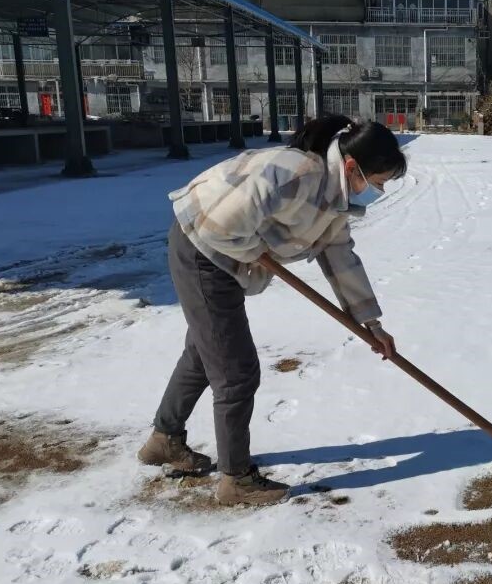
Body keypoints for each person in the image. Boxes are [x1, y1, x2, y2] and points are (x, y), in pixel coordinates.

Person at [138, 115, 407, 505]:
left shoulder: (333, 197)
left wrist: (371, 322)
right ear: (352, 167)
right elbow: (219, 225)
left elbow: (341, 258)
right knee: (236, 371)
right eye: (377, 182)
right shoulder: (296, 174)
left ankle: (163, 440)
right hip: (202, 247)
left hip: (224, 254)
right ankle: (236, 481)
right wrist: (256, 255)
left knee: (206, 350)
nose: (375, 191)